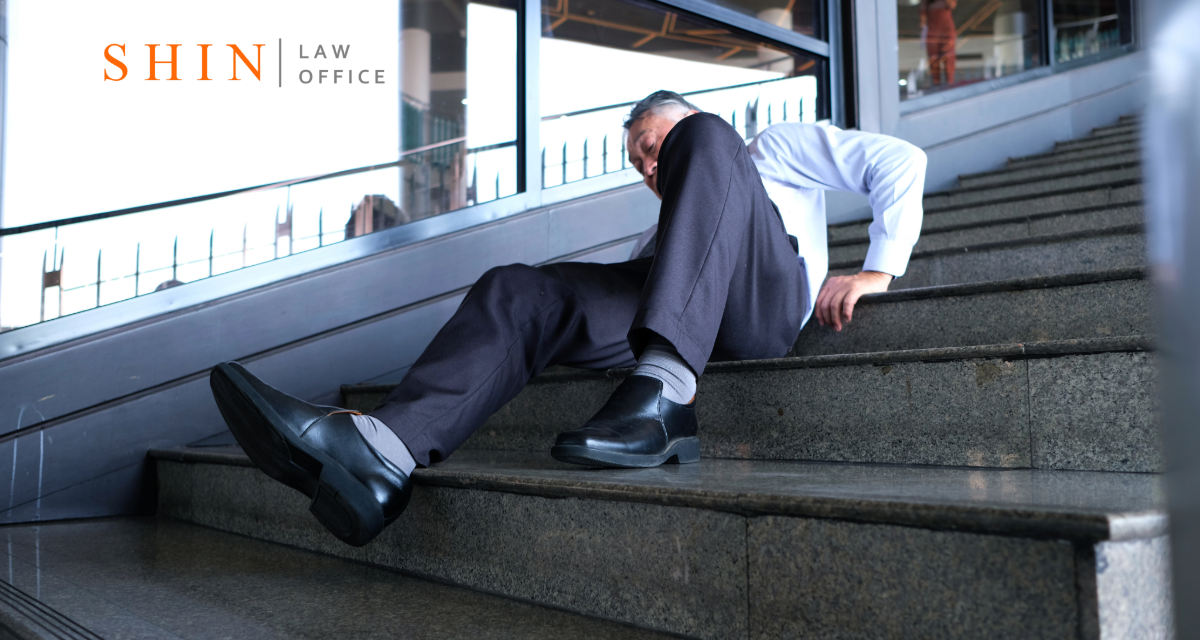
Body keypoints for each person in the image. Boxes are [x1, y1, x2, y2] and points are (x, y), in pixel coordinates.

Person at [208, 91, 927, 547]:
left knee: (710, 142)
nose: (650, 166)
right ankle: (379, 456)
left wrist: (876, 267)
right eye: (641, 161)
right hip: (688, 302)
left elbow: (900, 162)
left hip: (765, 307)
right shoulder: (663, 243)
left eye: (654, 146)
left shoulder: (764, 148)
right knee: (521, 290)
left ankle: (665, 398)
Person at [922, 0, 958, 85]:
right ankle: (936, 84)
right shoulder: (926, 2)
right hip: (933, 31)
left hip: (946, 30)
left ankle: (950, 83)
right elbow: (922, 16)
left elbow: (952, 5)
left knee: (948, 58)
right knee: (933, 60)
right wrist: (923, 25)